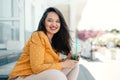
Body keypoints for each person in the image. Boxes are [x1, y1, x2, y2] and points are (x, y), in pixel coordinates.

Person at [8, 7, 79, 80]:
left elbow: (52, 64)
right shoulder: (38, 36)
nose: (54, 24)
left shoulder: (54, 41)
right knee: (58, 75)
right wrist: (63, 64)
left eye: (57, 21)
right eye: (50, 20)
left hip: (38, 75)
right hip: (22, 76)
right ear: (43, 22)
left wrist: (67, 60)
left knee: (74, 65)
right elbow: (37, 68)